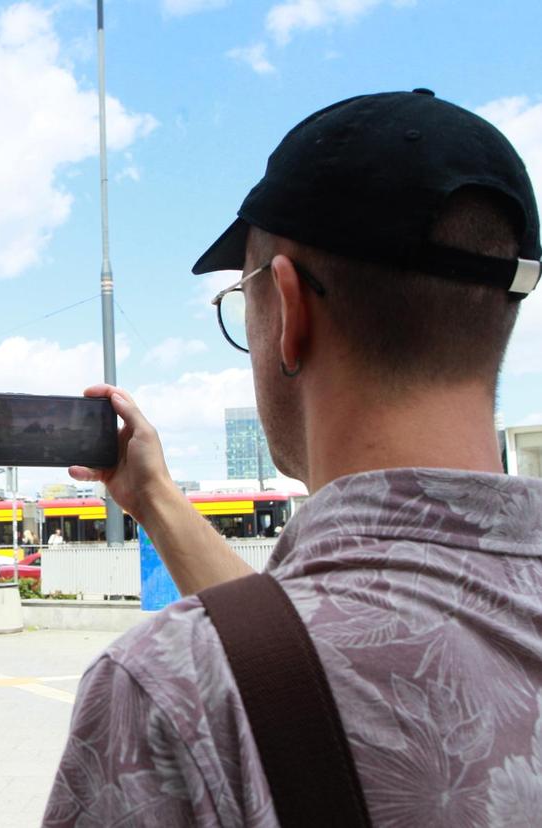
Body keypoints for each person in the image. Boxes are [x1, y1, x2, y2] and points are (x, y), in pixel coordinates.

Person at [45, 89, 542, 825]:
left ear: (289, 308)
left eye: (240, 302)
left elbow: (300, 661)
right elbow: (288, 651)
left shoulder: (167, 694)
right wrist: (152, 497)